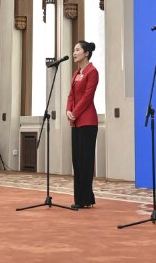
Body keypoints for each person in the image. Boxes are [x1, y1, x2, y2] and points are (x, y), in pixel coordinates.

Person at [66, 40, 99, 209]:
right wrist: (68, 110)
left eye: (77, 50)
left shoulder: (92, 72)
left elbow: (87, 97)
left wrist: (75, 113)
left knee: (86, 160)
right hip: (76, 122)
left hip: (87, 121)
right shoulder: (76, 73)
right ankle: (80, 198)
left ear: (86, 53)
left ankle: (85, 199)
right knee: (77, 160)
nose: (74, 53)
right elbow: (71, 95)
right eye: (74, 50)